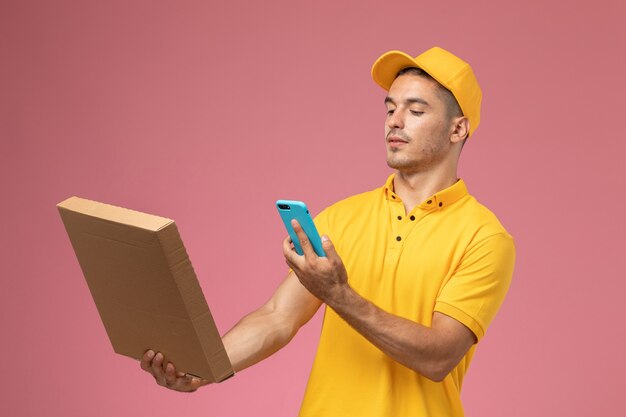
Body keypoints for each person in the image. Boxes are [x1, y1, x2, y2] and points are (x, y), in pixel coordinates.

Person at [140, 46, 516, 416]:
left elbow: (439, 357)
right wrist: (203, 368)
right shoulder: (341, 218)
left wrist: (338, 294)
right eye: (390, 108)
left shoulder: (483, 237)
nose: (394, 121)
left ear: (458, 129)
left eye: (415, 110)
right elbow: (277, 317)